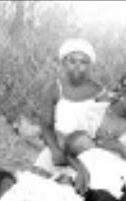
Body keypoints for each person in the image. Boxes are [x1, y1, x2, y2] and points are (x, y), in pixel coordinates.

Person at [34, 38, 107, 190]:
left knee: (91, 190)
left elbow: (104, 130)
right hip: (59, 147)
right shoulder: (54, 88)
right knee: (36, 187)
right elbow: (46, 126)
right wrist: (55, 150)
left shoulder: (99, 92)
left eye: (83, 62)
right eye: (72, 61)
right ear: (63, 63)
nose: (77, 67)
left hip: (87, 150)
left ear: (90, 65)